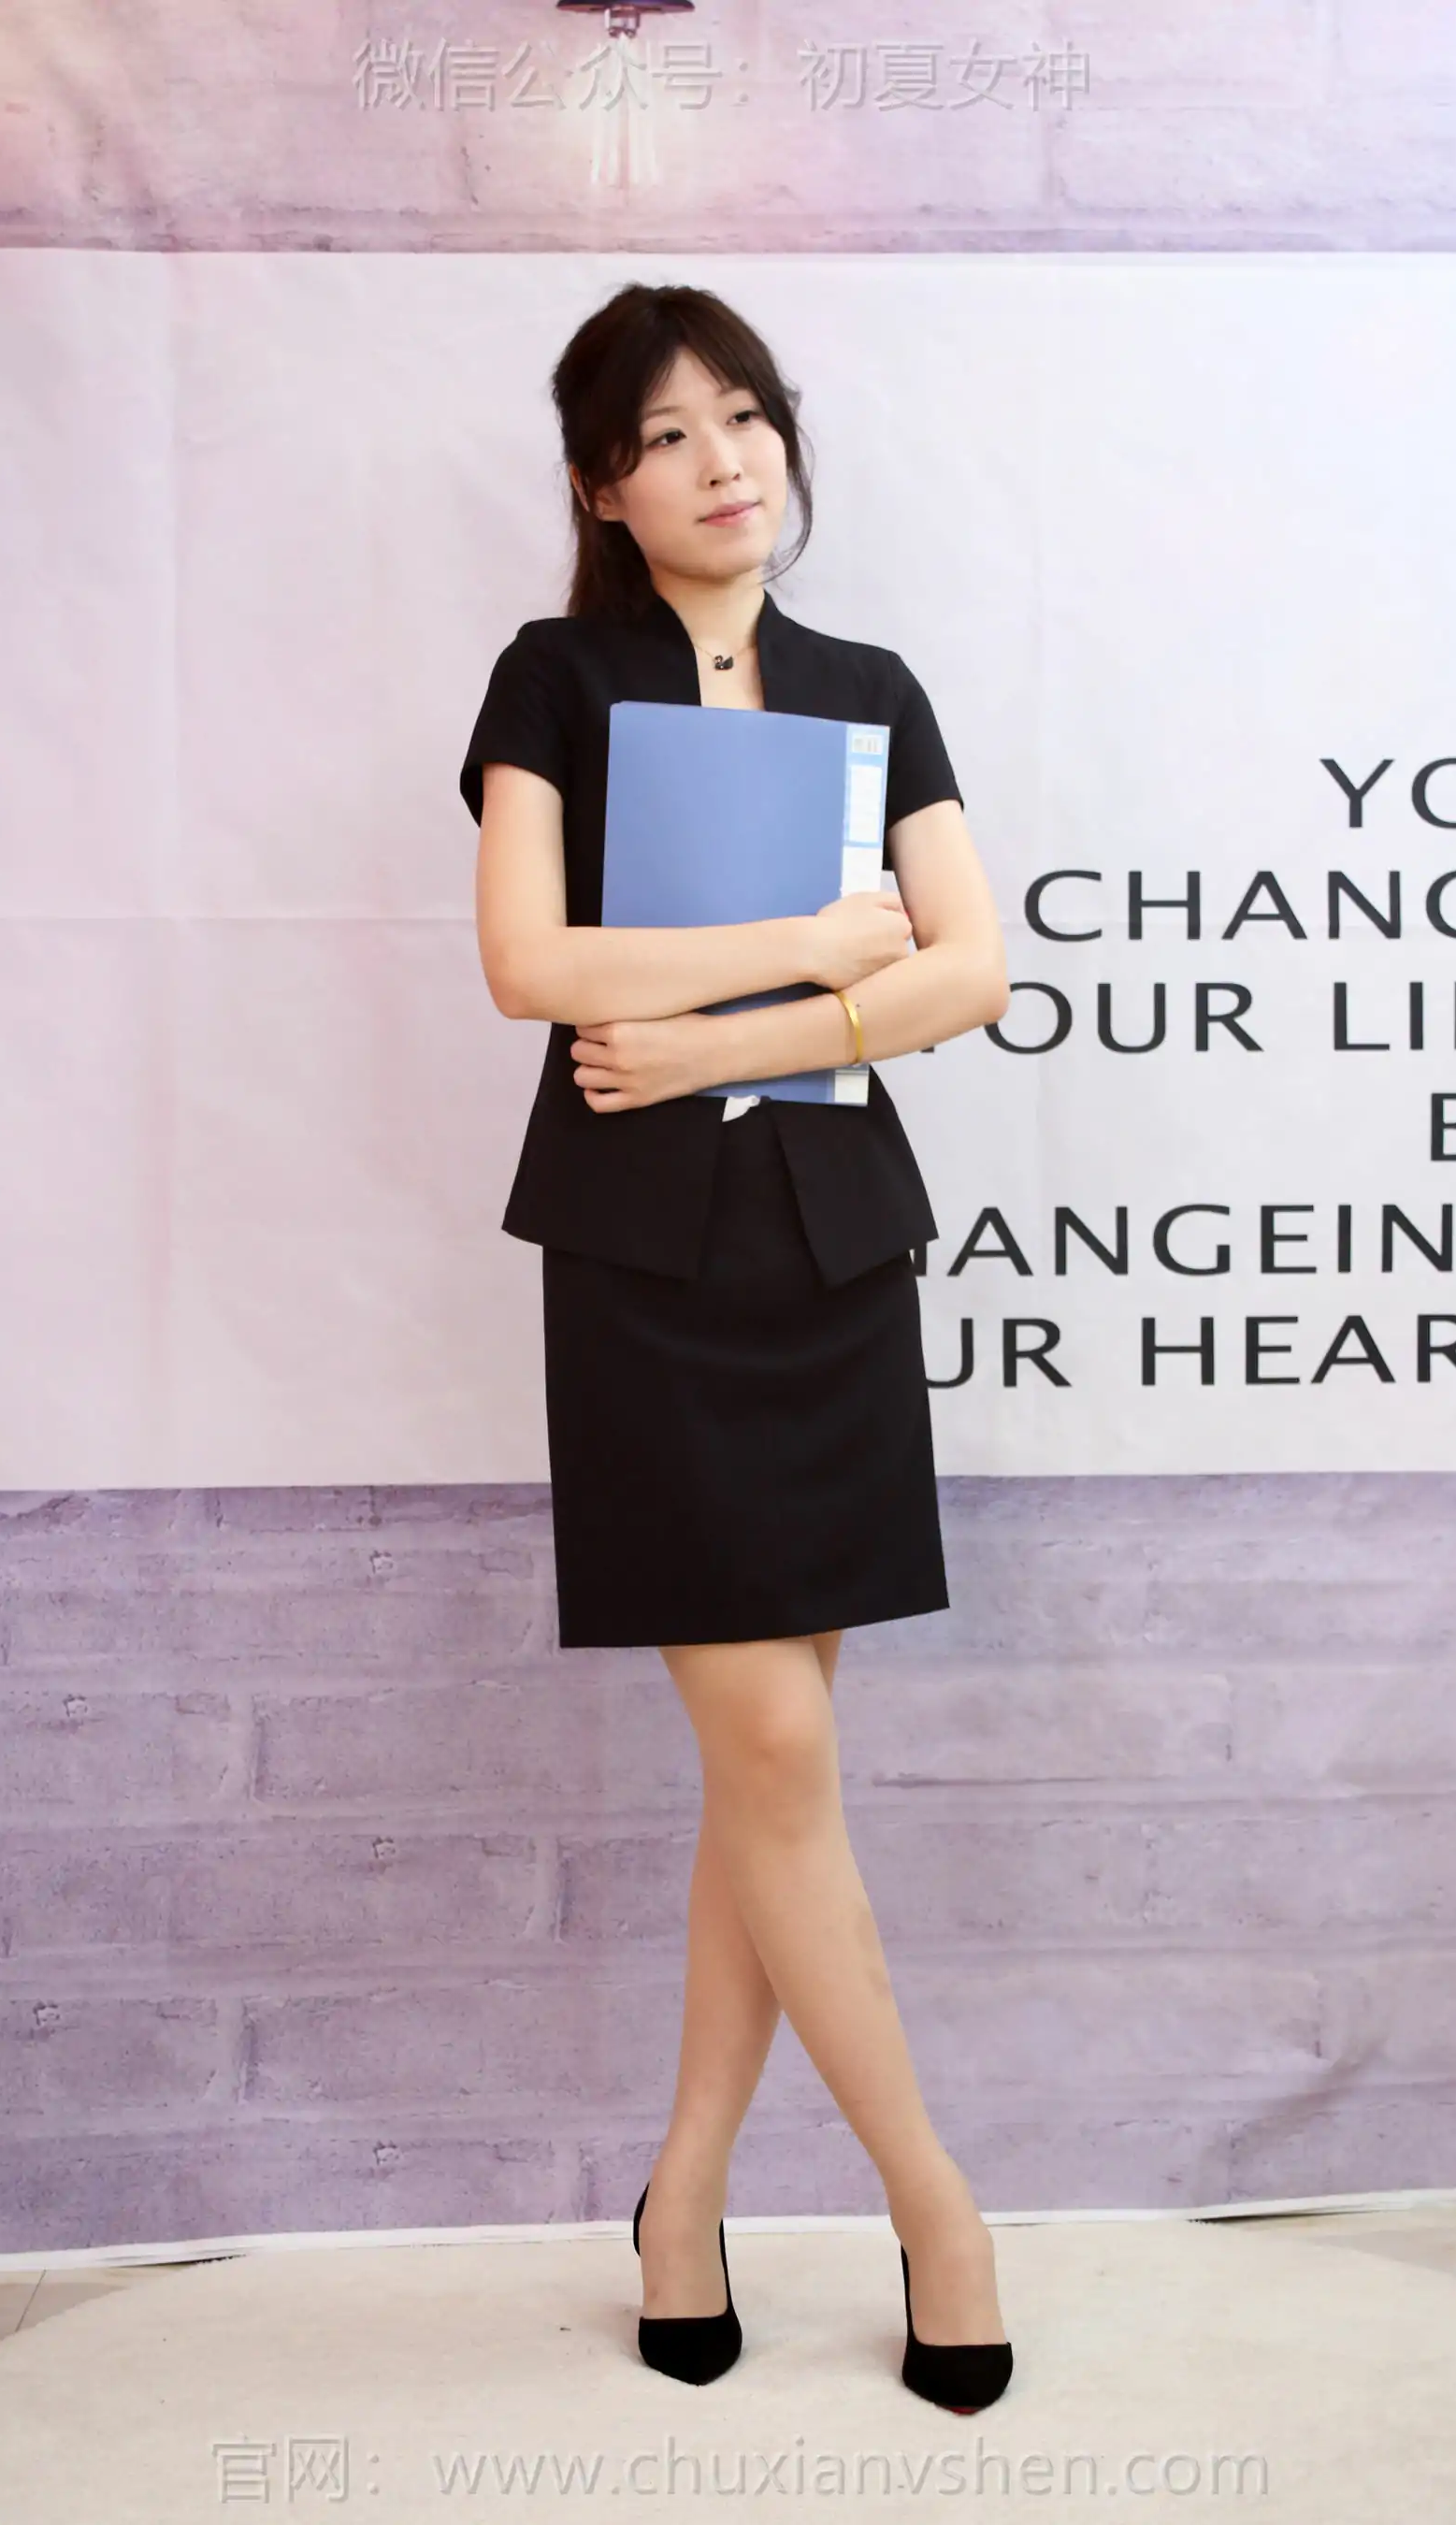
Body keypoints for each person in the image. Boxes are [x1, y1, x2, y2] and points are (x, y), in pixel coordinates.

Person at [459, 284, 1013, 2412]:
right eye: (669, 434)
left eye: (748, 416)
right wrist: (806, 943)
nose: (724, 460)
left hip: (831, 1252)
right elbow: (530, 966)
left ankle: (682, 2193)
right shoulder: (556, 674)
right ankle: (936, 2203)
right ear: (602, 485)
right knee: (778, 1762)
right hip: (645, 1274)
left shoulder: (874, 689)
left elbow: (968, 971)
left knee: (763, 1776)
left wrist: (715, 1033)